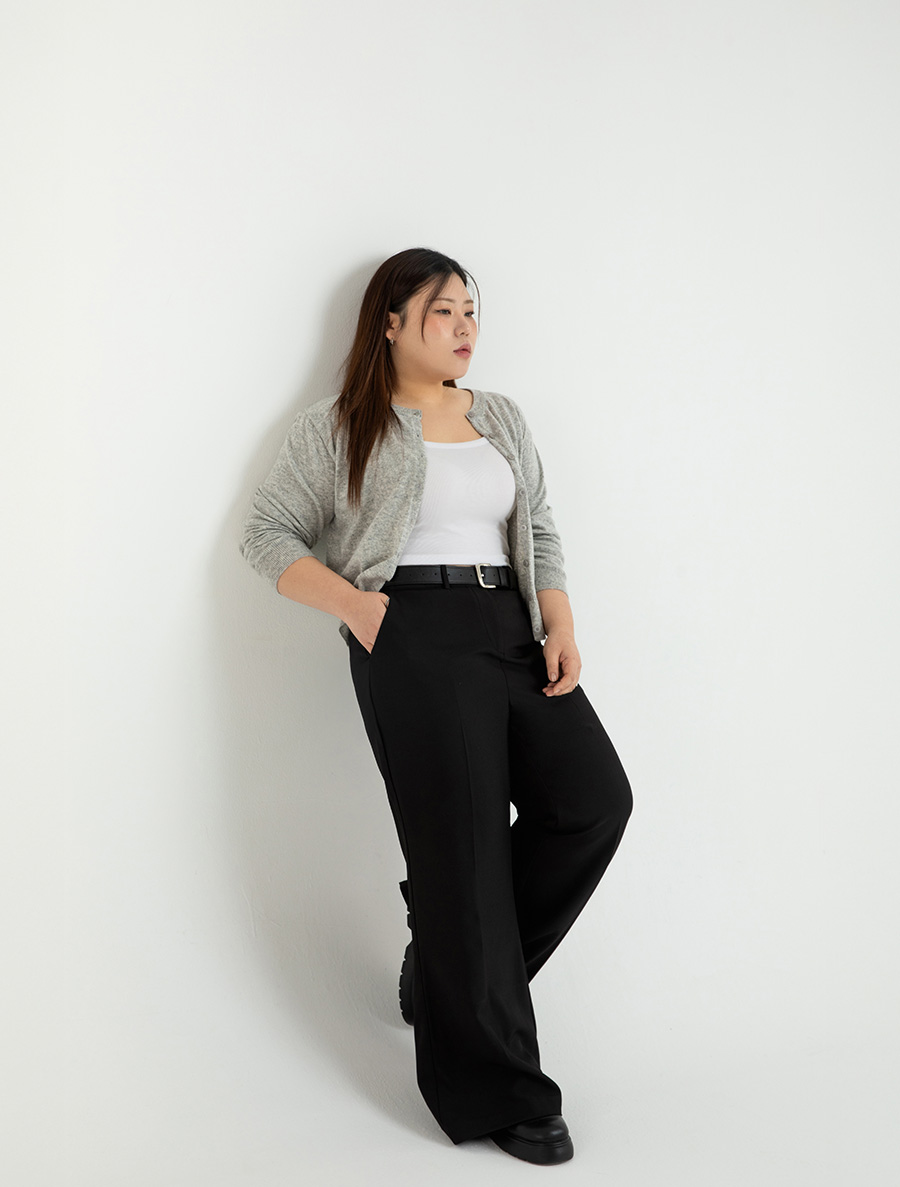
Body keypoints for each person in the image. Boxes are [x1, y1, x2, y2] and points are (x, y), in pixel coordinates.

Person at [240, 247, 633, 1165]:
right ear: (390, 322)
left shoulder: (500, 415)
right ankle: (501, 1089)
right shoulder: (340, 425)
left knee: (592, 803)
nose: (465, 328)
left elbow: (537, 524)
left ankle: (444, 968)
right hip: (411, 633)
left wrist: (560, 620)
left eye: (471, 311)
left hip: (512, 623)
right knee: (464, 854)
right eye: (444, 311)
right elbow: (266, 533)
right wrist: (356, 607)